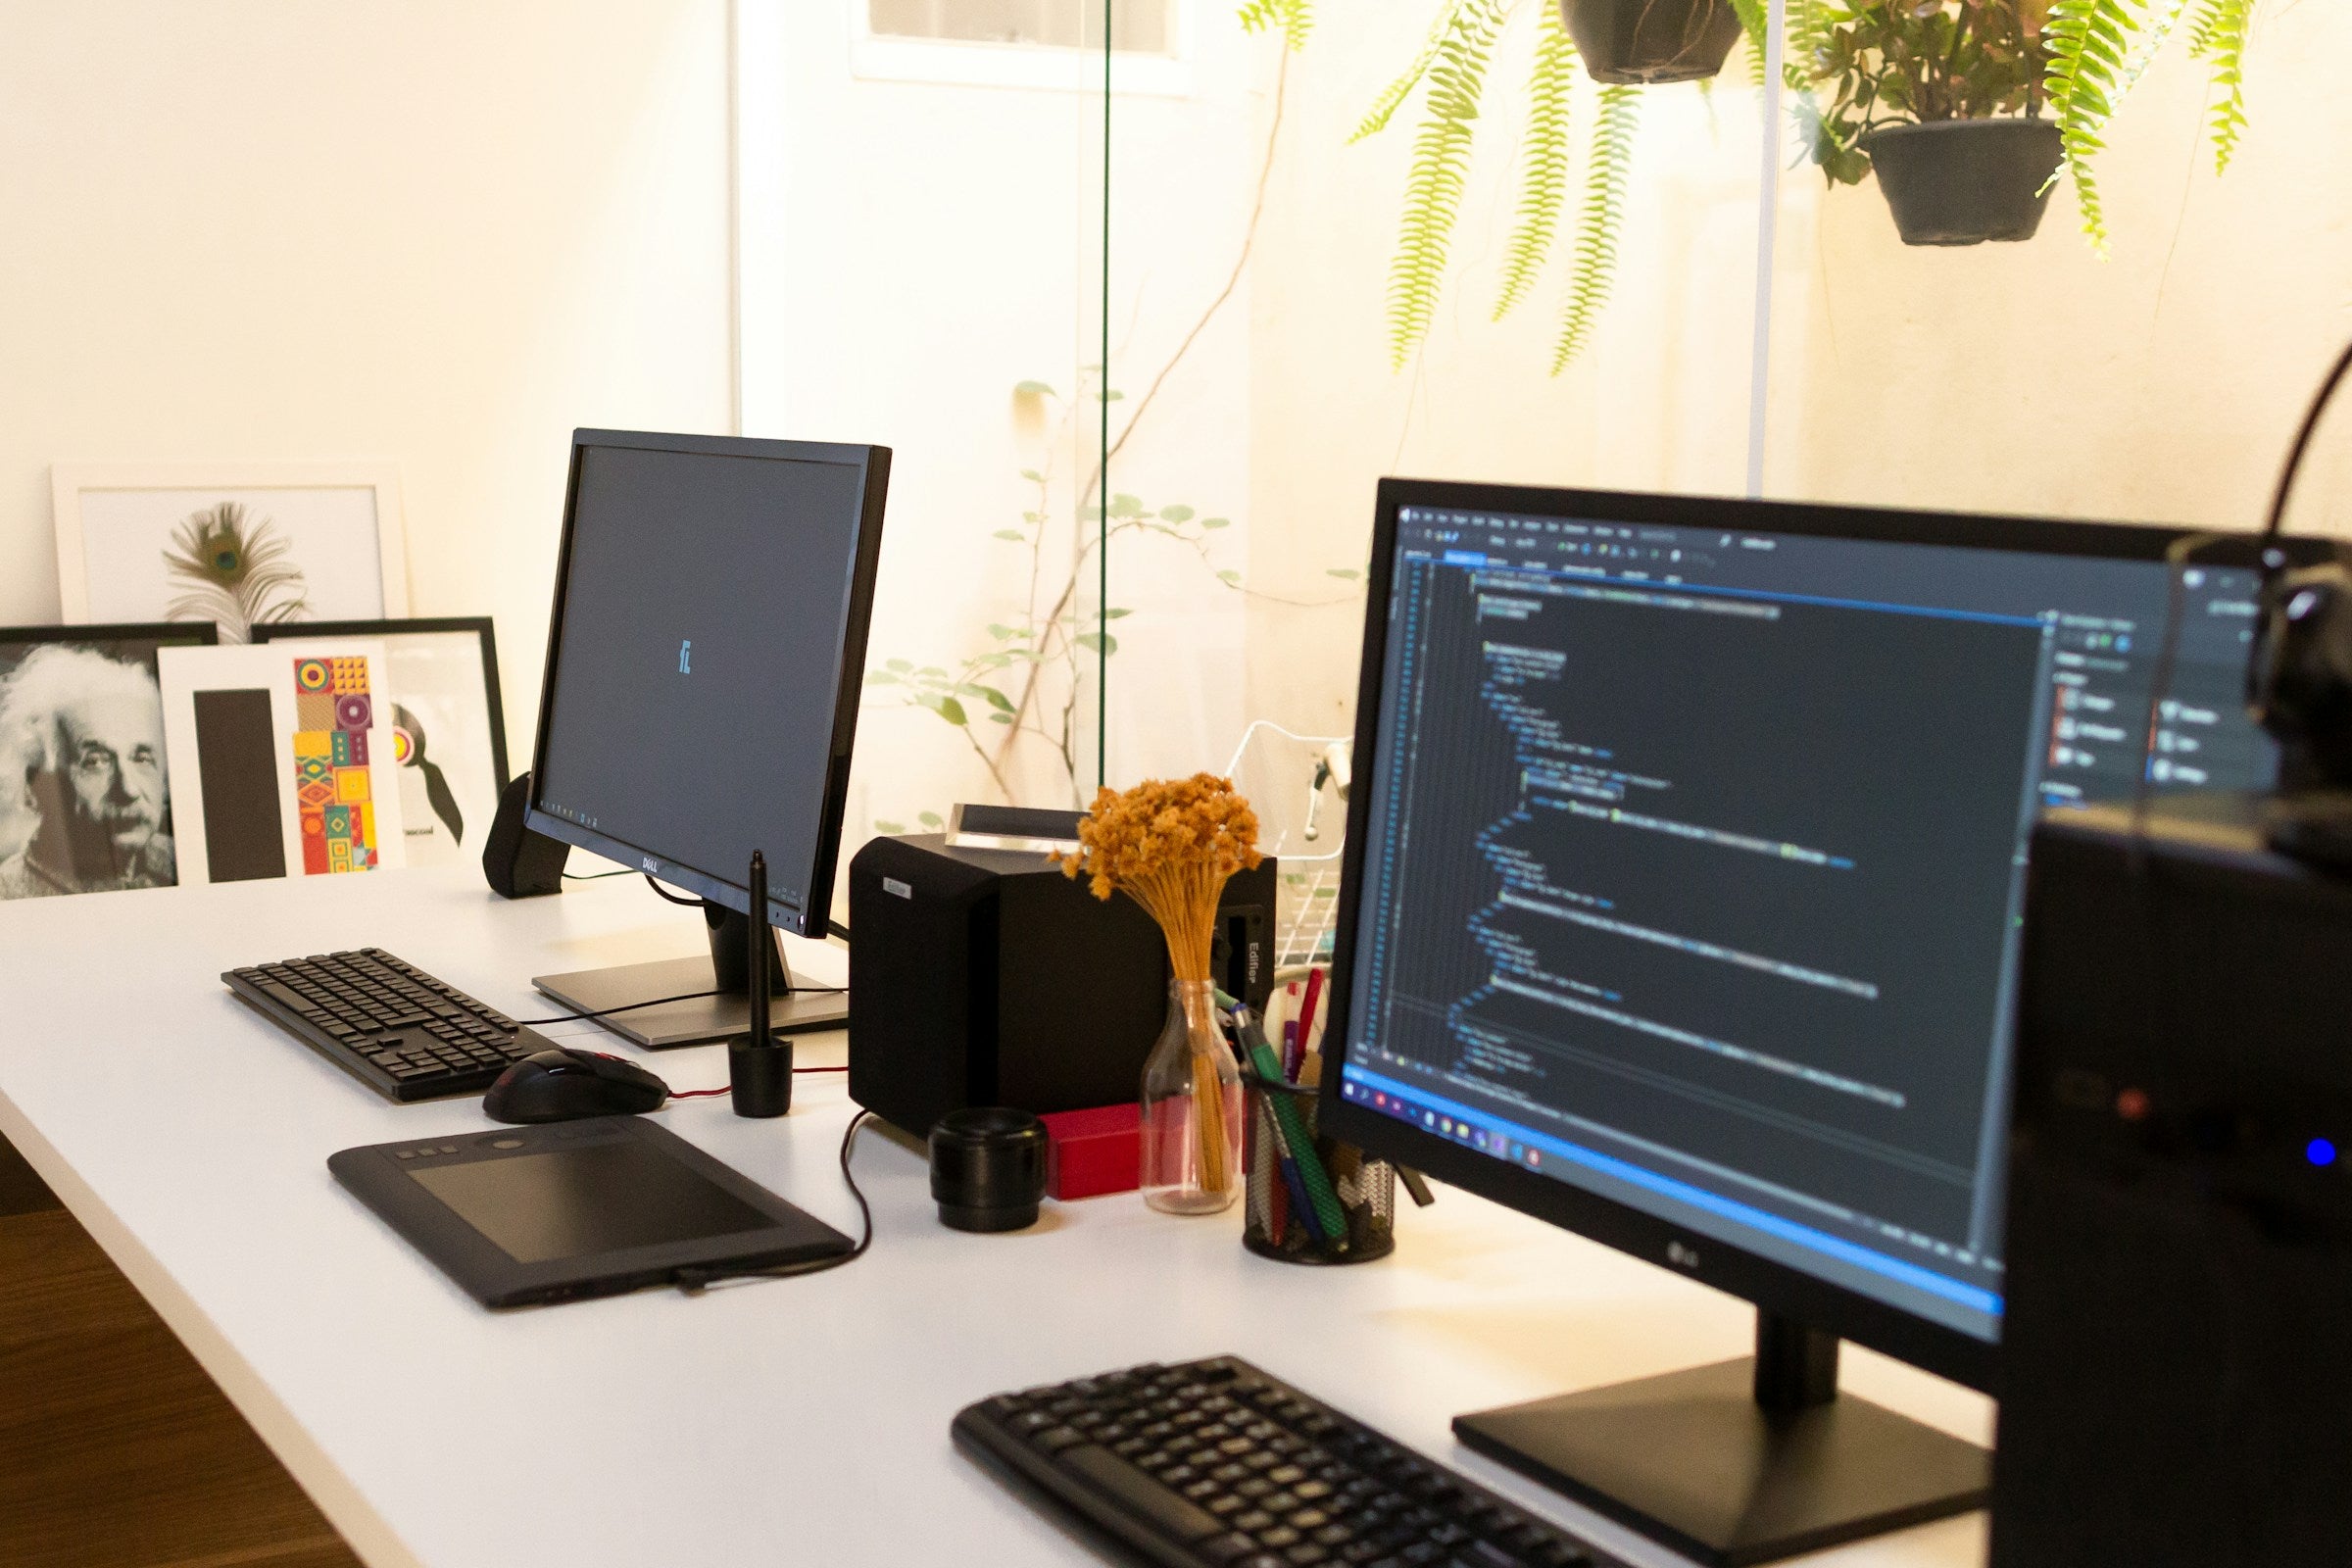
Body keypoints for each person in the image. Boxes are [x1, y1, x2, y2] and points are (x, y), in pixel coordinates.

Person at [0, 646, 175, 898]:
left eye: (142, 758)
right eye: (95, 761)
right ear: (34, 784)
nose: (129, 789)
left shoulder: (181, 858)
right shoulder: (9, 896)